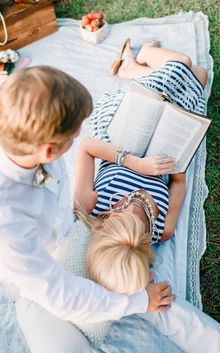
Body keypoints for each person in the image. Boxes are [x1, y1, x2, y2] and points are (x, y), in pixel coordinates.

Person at [0, 66, 175, 353]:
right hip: (33, 287)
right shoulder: (0, 221)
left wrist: (74, 210)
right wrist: (137, 301)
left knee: (155, 291)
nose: (77, 141)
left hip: (73, 234)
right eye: (73, 137)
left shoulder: (24, 140)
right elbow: (61, 294)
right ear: (49, 151)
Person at [72, 41, 220, 352]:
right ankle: (133, 68)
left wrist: (134, 162)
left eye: (117, 215)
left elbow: (87, 145)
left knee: (182, 62)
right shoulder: (161, 229)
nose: (126, 211)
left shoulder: (92, 205)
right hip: (165, 142)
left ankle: (139, 62)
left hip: (122, 130)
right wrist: (178, 160)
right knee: (200, 75)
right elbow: (178, 183)